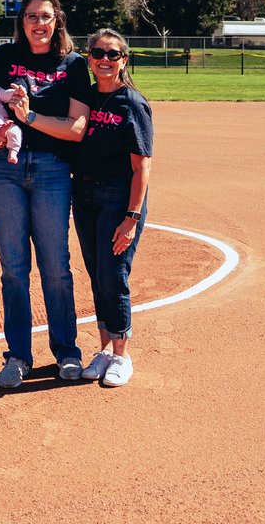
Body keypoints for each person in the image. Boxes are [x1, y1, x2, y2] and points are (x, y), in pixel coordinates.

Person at [0, 0, 89, 388]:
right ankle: (18, 356)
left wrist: (29, 117)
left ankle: (67, 352)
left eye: (45, 16)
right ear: (21, 21)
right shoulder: (3, 59)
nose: (38, 24)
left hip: (52, 170)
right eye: (31, 17)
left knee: (57, 266)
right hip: (1, 170)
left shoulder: (73, 64)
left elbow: (76, 129)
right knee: (13, 268)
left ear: (56, 19)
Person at [72, 29, 153, 387]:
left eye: (114, 54)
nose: (105, 59)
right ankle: (104, 350)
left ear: (124, 60)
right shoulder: (86, 98)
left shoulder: (131, 103)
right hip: (85, 196)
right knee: (96, 273)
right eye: (98, 53)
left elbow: (141, 166)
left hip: (117, 198)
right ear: (89, 58)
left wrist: (131, 217)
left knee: (113, 275)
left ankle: (122, 355)